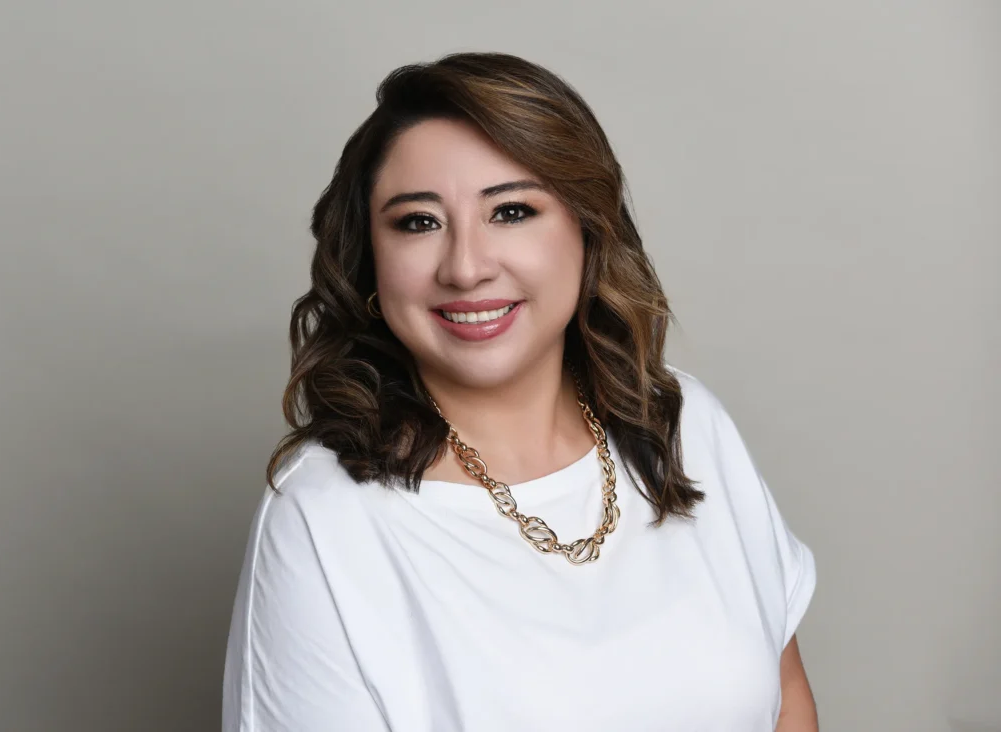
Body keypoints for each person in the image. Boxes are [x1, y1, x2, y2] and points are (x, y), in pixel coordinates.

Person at [221, 51, 818, 731]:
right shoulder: (323, 518)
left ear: (588, 230)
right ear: (369, 258)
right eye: (419, 221)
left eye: (510, 211)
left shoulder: (682, 422)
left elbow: (786, 701)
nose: (467, 267)